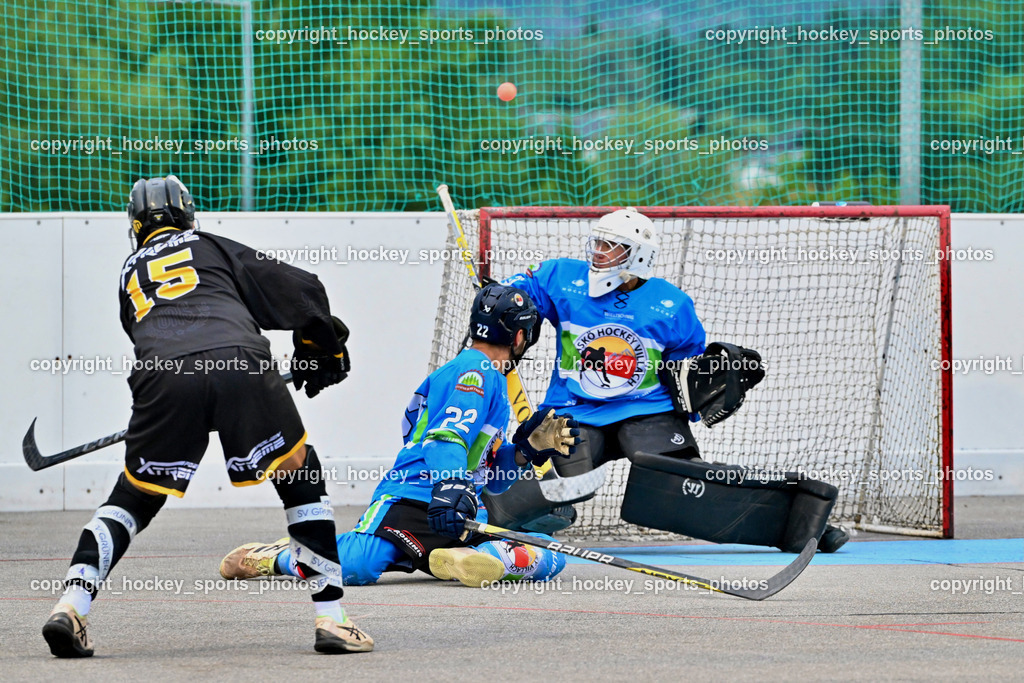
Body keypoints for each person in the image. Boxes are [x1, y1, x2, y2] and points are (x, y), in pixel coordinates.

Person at [42, 175, 371, 658]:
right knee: (299, 471)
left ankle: (71, 605)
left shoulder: (129, 273)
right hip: (239, 360)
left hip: (160, 376)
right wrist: (317, 345)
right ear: (188, 214)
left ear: (135, 227)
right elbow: (303, 289)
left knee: (135, 495)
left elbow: (162, 341)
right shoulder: (208, 243)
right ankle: (332, 619)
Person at [500, 208, 849, 553]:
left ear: (637, 257)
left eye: (611, 246)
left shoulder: (670, 304)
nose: (599, 252)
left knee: (687, 486)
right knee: (567, 484)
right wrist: (498, 299)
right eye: (598, 242)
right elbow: (517, 294)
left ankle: (804, 525)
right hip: (575, 412)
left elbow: (686, 365)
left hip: (649, 413)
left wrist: (697, 399)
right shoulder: (561, 277)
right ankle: (491, 519)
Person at [219, 282, 580, 588]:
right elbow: (445, 437)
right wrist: (452, 483)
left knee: (552, 554)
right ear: (521, 336)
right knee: (358, 564)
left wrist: (528, 450)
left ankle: (461, 557)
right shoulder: (476, 371)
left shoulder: (493, 379)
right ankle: (278, 556)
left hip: (457, 506)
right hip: (413, 494)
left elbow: (490, 474)